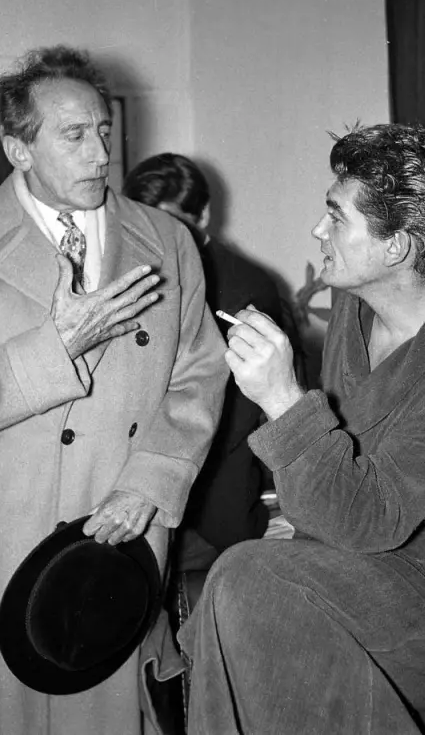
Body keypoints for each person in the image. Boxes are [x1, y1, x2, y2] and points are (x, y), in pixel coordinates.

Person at [0, 45, 229, 735]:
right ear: (16, 147)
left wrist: (153, 481)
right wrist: (56, 350)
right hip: (17, 542)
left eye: (103, 131)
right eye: (73, 135)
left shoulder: (167, 240)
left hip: (126, 529)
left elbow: (200, 371)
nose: (99, 153)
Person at [179, 123, 425, 735]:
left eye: (335, 217)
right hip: (360, 565)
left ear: (396, 247)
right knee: (240, 580)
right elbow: (341, 464)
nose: (319, 232)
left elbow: (369, 515)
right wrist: (290, 519)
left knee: (248, 582)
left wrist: (283, 400)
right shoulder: (355, 310)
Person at [123, 153, 290, 591]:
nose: (158, 240)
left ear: (205, 216)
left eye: (173, 226)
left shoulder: (246, 286)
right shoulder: (126, 275)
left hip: (212, 507)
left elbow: (233, 425)